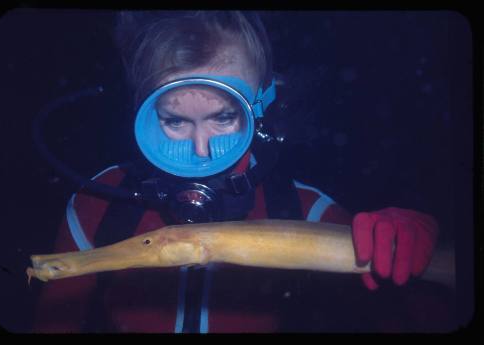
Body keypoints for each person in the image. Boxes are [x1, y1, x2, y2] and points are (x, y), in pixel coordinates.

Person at [31, 11, 441, 333]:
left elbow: (404, 316)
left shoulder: (303, 207)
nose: (200, 150)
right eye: (175, 121)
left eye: (224, 117)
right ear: (144, 113)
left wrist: (415, 260)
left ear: (259, 109)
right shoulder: (99, 202)